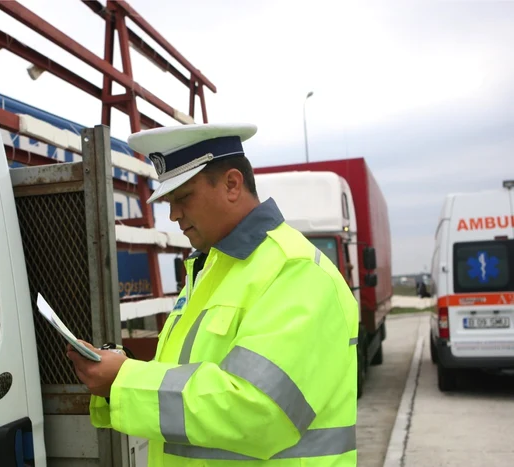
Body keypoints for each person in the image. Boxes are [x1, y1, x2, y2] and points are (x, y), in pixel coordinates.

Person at [67, 123, 359, 466]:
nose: (173, 215)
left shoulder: (295, 272)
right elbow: (187, 378)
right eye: (168, 202)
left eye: (182, 198)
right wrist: (115, 378)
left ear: (232, 185)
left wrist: (125, 379)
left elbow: (258, 412)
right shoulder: (211, 270)